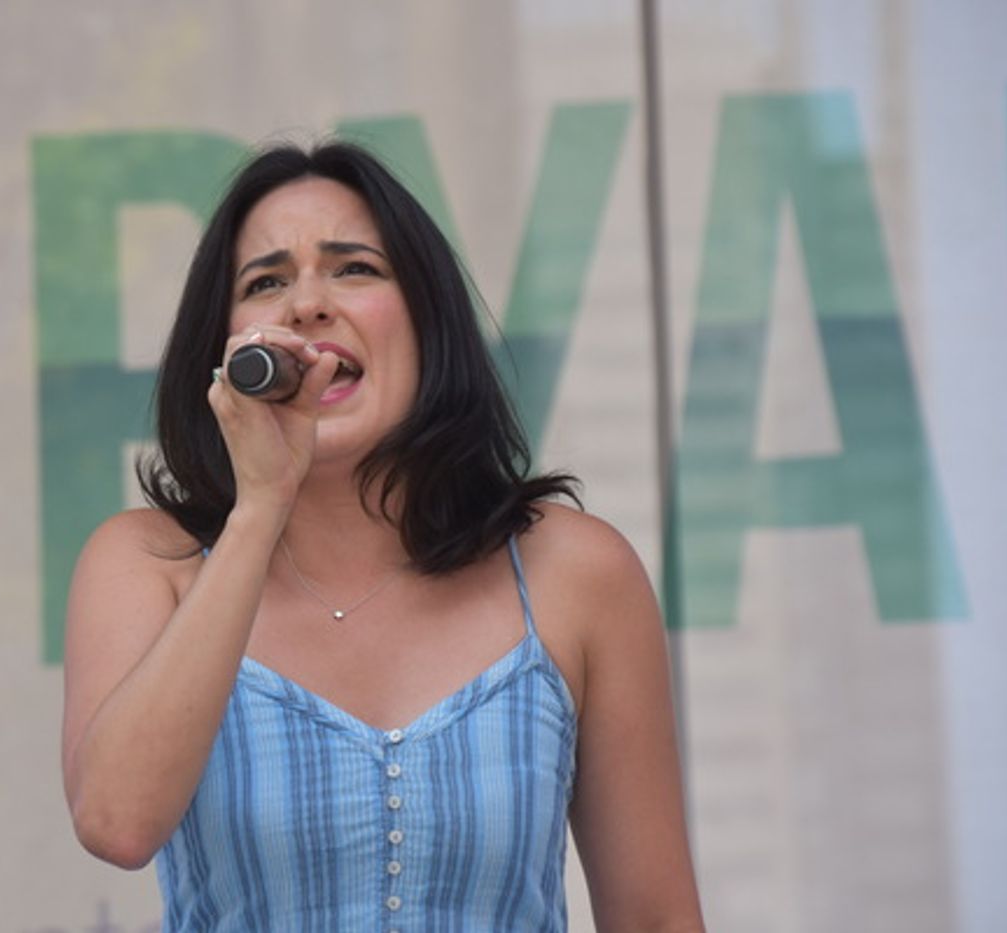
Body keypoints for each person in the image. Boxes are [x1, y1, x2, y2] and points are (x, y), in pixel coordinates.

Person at [61, 139, 705, 932]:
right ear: (223, 351)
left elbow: (656, 917)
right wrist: (260, 506)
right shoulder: (146, 564)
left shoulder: (573, 573)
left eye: (354, 268)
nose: (306, 306)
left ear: (429, 321)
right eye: (266, 282)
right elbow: (117, 822)